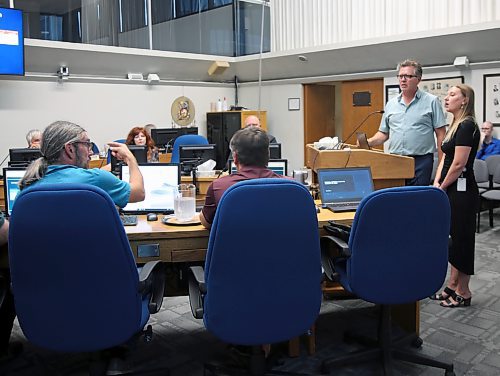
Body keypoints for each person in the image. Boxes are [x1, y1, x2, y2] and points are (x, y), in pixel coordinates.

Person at [430, 84, 480, 308]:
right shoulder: (455, 125)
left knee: (462, 239)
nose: (446, 98)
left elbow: (459, 164)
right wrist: (437, 182)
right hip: (449, 187)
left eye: (452, 95)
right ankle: (451, 285)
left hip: (462, 191)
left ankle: (464, 291)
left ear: (465, 100)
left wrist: (442, 187)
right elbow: (444, 159)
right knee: (452, 237)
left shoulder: (468, 125)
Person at [19, 121, 145, 207]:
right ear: (70, 149)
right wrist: (130, 158)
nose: (90, 151)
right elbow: (139, 193)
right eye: (87, 144)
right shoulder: (95, 179)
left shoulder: (27, 185)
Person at [366, 59, 447, 185]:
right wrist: (368, 142)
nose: (403, 79)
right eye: (400, 76)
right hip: (396, 159)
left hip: (421, 161)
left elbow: (441, 135)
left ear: (418, 79)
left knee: (416, 199)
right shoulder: (391, 104)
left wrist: (442, 165)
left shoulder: (432, 101)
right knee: (397, 198)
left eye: (408, 76)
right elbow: (383, 134)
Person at [201, 127, 284, 229]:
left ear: (235, 158)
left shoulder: (219, 186)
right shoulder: (292, 187)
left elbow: (206, 222)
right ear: (268, 155)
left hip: (235, 245)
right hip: (279, 244)